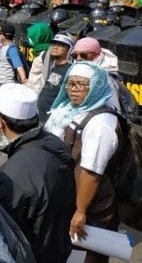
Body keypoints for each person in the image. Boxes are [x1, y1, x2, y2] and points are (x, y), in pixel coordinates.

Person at [0, 83, 76, 263]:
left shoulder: (12, 173)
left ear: (0, 122)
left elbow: (8, 229)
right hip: (58, 246)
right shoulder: (54, 143)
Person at [44, 63, 119, 263]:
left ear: (95, 87)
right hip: (68, 196)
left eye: (81, 85)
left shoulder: (101, 123)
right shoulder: (70, 110)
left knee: (85, 255)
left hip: (91, 206)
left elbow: (91, 173)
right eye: (70, 84)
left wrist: (80, 211)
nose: (73, 89)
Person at [36, 33, 74, 122]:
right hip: (40, 115)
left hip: (53, 119)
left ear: (69, 49)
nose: (56, 47)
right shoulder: (51, 66)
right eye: (54, 44)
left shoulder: (70, 70)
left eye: (61, 45)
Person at [0, 23, 27, 88]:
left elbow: (19, 66)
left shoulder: (12, 49)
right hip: (1, 82)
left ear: (4, 35)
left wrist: (24, 80)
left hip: (7, 84)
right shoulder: (4, 46)